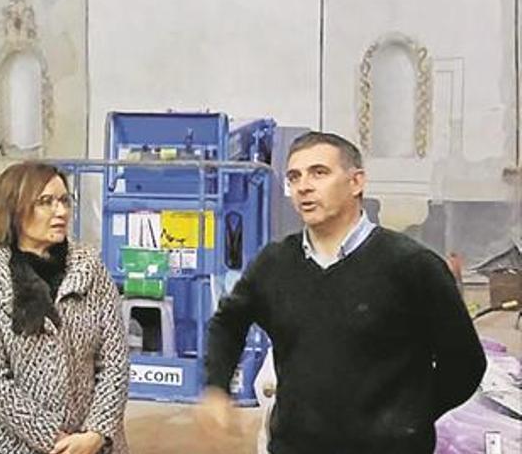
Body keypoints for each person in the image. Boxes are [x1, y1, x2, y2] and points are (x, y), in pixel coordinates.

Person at [198, 132, 486, 454]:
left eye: (319, 173)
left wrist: (410, 416)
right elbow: (228, 322)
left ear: (356, 182)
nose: (303, 186)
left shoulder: (412, 266)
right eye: (294, 177)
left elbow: (465, 362)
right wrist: (217, 386)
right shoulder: (274, 264)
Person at [0, 161, 129, 454]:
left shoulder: (90, 270)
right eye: (46, 202)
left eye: (64, 200)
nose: (61, 212)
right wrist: (55, 439)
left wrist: (97, 433)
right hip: (12, 444)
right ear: (13, 209)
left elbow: (114, 362)